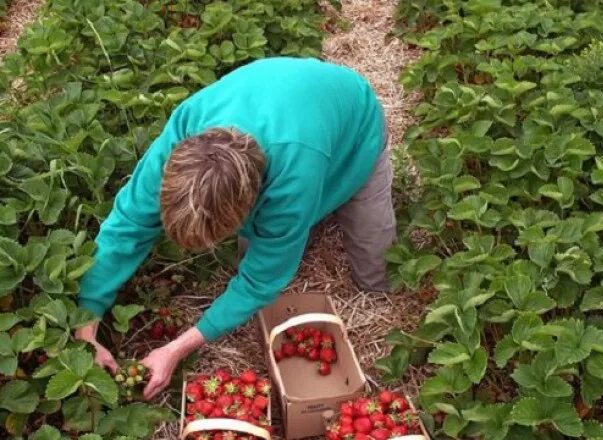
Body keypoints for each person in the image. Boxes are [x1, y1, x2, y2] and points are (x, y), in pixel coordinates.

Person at [75, 57, 396, 399]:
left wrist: (175, 350)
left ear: (250, 201)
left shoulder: (294, 170)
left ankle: (351, 233)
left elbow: (261, 280)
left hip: (355, 127)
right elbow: (128, 223)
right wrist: (86, 325)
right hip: (291, 110)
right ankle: (307, 218)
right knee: (276, 241)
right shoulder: (183, 136)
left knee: (373, 265)